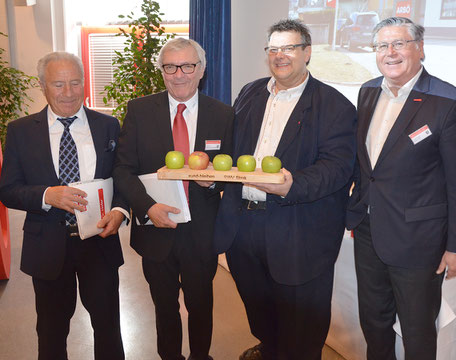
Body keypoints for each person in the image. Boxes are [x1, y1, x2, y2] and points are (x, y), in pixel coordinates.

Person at [214, 19, 356, 360]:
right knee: (257, 301)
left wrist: (291, 185)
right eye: (274, 49)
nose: (280, 56)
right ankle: (271, 347)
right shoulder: (250, 92)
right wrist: (213, 173)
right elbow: (233, 152)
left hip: (298, 226)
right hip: (243, 224)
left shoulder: (335, 106)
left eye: (289, 48)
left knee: (302, 319)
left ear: (307, 52)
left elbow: (338, 168)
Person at [346, 17, 456, 360]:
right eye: (381, 46)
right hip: (369, 232)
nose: (390, 53)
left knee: (417, 331)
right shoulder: (368, 91)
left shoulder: (450, 102)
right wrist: (359, 207)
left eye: (399, 43)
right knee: (374, 323)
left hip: (420, 240)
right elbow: (369, 166)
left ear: (419, 48)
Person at [0, 52, 127, 360]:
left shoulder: (108, 126)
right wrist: (47, 196)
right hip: (47, 247)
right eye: (58, 84)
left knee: (108, 327)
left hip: (99, 242)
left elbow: (123, 178)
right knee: (52, 332)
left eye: (75, 82)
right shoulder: (20, 131)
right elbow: (8, 190)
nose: (68, 92)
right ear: (43, 86)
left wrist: (120, 212)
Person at [113, 38, 234, 360]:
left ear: (201, 70)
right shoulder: (139, 111)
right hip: (155, 229)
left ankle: (200, 356)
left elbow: (232, 172)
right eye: (170, 67)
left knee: (201, 305)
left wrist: (209, 183)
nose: (179, 74)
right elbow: (123, 169)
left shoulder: (223, 115)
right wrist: (147, 207)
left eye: (187, 66)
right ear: (162, 71)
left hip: (202, 231)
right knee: (163, 306)